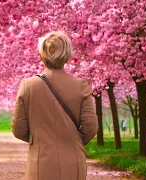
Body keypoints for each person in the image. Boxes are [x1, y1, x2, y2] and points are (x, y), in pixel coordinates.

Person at [12, 31, 98, 180]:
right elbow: (90, 128)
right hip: (73, 160)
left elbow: (18, 129)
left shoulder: (28, 86)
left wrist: (38, 140)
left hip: (40, 161)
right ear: (68, 56)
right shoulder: (80, 86)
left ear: (41, 56)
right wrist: (72, 140)